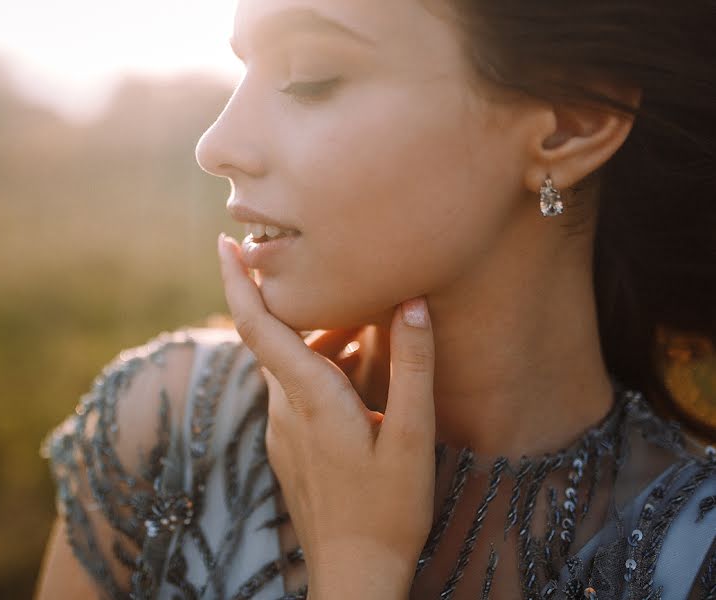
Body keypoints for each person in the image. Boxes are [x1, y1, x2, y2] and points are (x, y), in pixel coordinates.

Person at [35, 0, 716, 598]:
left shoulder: (695, 556)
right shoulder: (168, 434)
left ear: (572, 122)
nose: (217, 146)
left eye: (309, 76)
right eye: (244, 71)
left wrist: (360, 567)